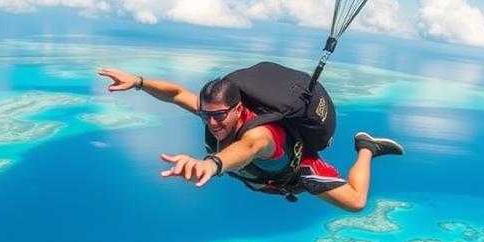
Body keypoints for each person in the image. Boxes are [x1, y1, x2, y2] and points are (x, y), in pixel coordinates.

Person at [98, 67, 403, 212]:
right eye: (206, 115)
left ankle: (366, 147)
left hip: (296, 170)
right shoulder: (214, 114)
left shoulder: (260, 135)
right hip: (263, 176)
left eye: (220, 116)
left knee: (356, 202)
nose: (213, 123)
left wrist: (212, 165)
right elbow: (177, 93)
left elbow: (247, 149)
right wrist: (139, 82)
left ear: (239, 109)